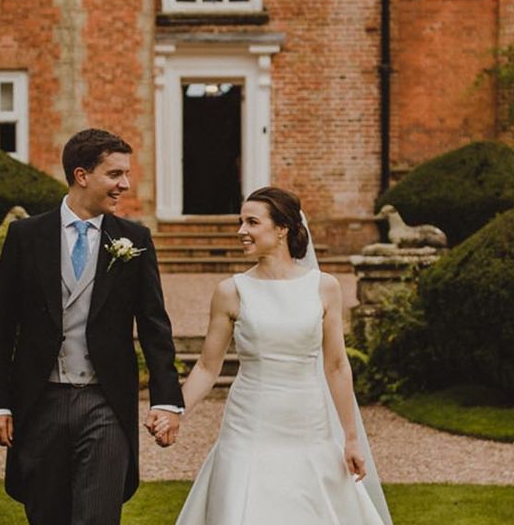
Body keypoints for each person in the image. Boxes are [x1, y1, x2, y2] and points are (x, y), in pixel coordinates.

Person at [0, 128, 184, 525]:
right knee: (46, 515)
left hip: (105, 403)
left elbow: (155, 327)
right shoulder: (26, 236)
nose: (124, 184)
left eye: (125, 174)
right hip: (41, 402)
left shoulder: (134, 239)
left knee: (97, 517)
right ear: (81, 175)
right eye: (114, 174)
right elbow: (1, 326)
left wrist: (166, 400)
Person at [164, 186, 391, 525]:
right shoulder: (230, 292)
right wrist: (175, 411)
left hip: (308, 425)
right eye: (241, 223)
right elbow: (207, 368)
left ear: (282, 228)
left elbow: (337, 366)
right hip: (248, 425)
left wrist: (352, 438)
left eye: (252, 222)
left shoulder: (324, 287)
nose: (242, 231)